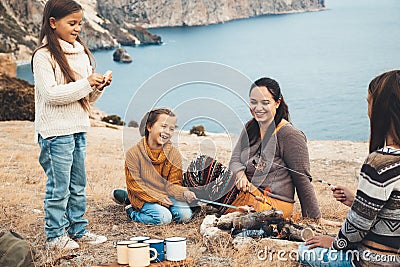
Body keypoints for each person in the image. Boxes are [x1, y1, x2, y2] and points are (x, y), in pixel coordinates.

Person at [298, 70, 400, 266]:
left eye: (369, 103)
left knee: (305, 250)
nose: (367, 110)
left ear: (381, 109)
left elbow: (358, 227)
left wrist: (336, 243)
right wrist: (356, 200)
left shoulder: (379, 162)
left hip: (374, 261)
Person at [31, 0, 111, 250]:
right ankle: (55, 236)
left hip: (78, 128)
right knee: (59, 187)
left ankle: (78, 229)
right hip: (55, 133)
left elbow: (84, 98)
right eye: (72, 23)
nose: (78, 28)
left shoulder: (81, 52)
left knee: (78, 185)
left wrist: (97, 88)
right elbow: (52, 95)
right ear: (53, 23)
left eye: (80, 23)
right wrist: (87, 82)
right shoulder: (43, 57)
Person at [123, 108, 197, 225]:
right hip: (143, 196)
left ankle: (161, 209)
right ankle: (132, 212)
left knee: (185, 216)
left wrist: (184, 193)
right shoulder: (133, 154)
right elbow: (136, 186)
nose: (167, 132)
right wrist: (158, 199)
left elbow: (173, 184)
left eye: (171, 128)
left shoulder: (174, 154)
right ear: (149, 127)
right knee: (164, 218)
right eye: (163, 126)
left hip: (167, 195)